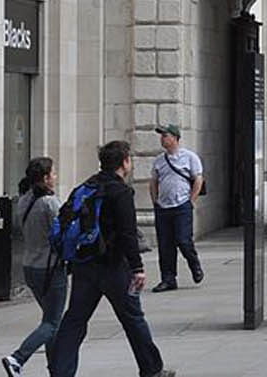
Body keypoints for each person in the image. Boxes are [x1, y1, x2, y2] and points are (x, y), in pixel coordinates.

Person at [46, 140, 172, 377]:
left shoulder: (85, 188)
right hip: (114, 267)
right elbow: (127, 233)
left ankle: (60, 372)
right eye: (130, 159)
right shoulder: (121, 192)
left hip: (84, 266)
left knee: (74, 320)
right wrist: (137, 268)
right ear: (124, 162)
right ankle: (152, 369)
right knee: (133, 318)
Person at [2, 157, 64, 376]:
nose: (56, 177)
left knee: (49, 320)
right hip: (50, 267)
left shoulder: (24, 200)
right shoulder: (49, 203)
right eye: (53, 174)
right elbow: (62, 234)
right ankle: (17, 358)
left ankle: (56, 369)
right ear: (45, 178)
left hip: (30, 266)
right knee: (52, 322)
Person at [147, 124, 204, 291]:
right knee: (165, 245)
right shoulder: (159, 160)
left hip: (182, 206)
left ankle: (195, 265)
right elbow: (154, 181)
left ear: (175, 138)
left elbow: (198, 179)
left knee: (183, 240)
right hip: (163, 208)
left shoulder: (189, 157)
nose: (162, 139)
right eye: (162, 136)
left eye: (166, 136)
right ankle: (168, 278)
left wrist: (191, 201)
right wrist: (155, 201)